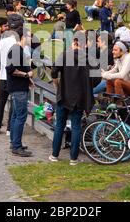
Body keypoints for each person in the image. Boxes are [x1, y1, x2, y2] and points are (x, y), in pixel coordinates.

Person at [50, 35, 95, 165]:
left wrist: (56, 84)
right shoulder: (89, 59)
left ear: (73, 43)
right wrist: (87, 86)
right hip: (80, 97)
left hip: (64, 95)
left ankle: (54, 155)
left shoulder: (64, 55)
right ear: (84, 45)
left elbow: (54, 71)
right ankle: (73, 159)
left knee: (60, 125)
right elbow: (97, 78)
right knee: (76, 126)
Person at [0, 13, 24, 135]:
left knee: (2, 101)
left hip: (3, 75)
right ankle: (10, 128)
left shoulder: (2, 40)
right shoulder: (17, 41)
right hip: (13, 76)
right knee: (13, 103)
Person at [6, 27, 34, 157]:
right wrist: (26, 75)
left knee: (15, 116)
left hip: (18, 87)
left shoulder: (18, 49)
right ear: (22, 37)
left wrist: (28, 79)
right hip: (18, 89)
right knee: (20, 117)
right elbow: (11, 69)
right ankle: (16, 146)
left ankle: (14, 142)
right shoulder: (17, 50)